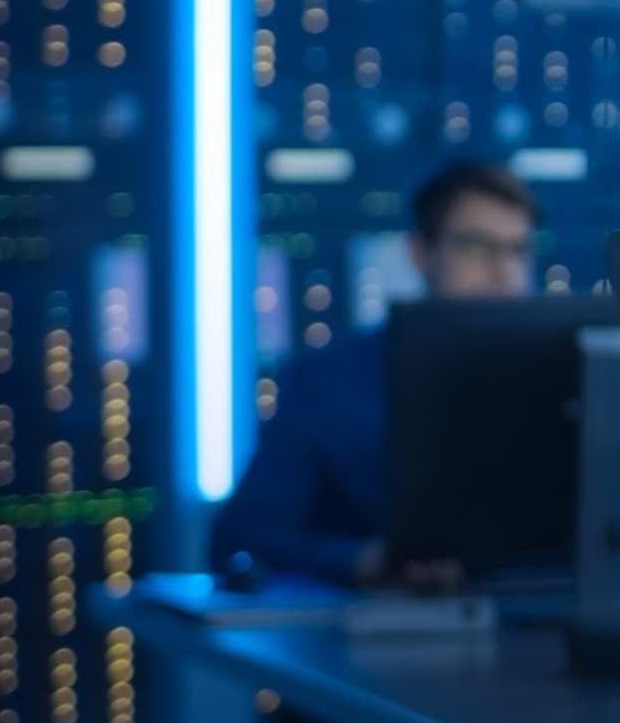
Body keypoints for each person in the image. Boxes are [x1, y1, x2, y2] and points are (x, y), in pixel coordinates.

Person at [209, 160, 541, 585]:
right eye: (479, 247)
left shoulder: (563, 375)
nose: (505, 272)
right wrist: (361, 560)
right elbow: (241, 537)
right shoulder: (330, 379)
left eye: (518, 250)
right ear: (421, 252)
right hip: (382, 629)